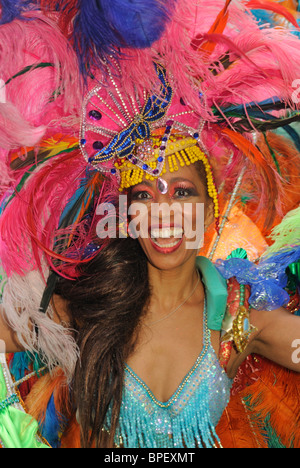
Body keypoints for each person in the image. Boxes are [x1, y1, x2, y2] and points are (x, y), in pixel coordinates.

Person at [0, 0, 300, 449]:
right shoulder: (82, 311)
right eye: (144, 196)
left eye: (182, 193)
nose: (164, 214)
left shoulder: (238, 321)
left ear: (209, 211)